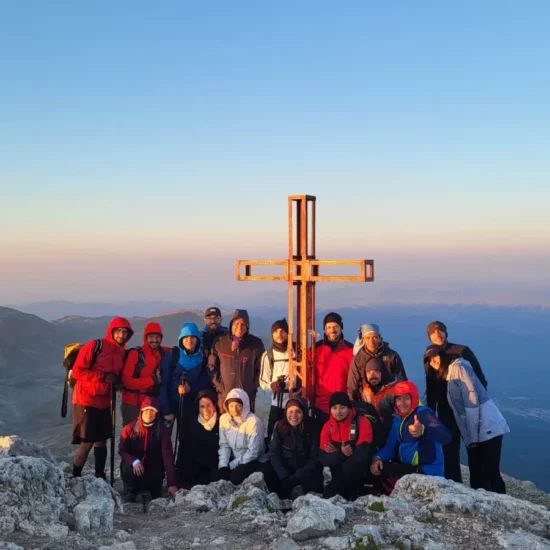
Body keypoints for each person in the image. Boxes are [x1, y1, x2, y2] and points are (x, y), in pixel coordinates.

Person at [424, 345, 509, 494]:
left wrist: (472, 438)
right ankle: (482, 508)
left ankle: (505, 508)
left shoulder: (458, 368)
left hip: (488, 427)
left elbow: (472, 403)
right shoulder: (447, 375)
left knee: (490, 471)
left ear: (443, 355)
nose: (433, 361)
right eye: (429, 360)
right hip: (477, 430)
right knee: (476, 473)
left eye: (435, 356)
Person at [71, 317, 134, 479]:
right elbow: (78, 371)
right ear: (112, 331)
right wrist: (103, 376)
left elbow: (118, 376)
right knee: (87, 441)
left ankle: (100, 476)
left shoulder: (122, 353)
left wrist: (119, 383)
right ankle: (76, 478)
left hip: (105, 401)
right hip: (86, 399)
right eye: (119, 331)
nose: (122, 335)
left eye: (125, 332)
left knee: (101, 440)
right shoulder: (95, 346)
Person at [370, 381, 451, 494]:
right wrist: (378, 458)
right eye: (399, 399)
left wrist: (423, 430)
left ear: (414, 397)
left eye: (407, 398)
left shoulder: (424, 414)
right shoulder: (397, 418)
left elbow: (446, 437)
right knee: (377, 468)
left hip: (427, 471)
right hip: (409, 467)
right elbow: (391, 445)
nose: (402, 403)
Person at [118, 397, 178, 501]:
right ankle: (131, 489)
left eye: (152, 411)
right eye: (146, 411)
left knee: (156, 476)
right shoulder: (129, 428)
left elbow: (167, 456)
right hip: (134, 469)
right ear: (141, 411)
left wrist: (172, 484)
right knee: (128, 465)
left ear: (156, 414)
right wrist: (134, 461)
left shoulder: (163, 431)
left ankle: (154, 489)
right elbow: (122, 450)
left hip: (153, 470)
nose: (149, 414)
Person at [263, 397, 322, 499]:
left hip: (305, 469)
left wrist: (296, 477)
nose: (294, 415)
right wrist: (284, 475)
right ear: (286, 412)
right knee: (268, 471)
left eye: (298, 412)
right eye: (290, 411)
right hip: (286, 468)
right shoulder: (280, 426)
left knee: (315, 480)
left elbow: (315, 458)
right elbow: (274, 453)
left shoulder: (312, 428)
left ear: (304, 412)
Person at [319, 392, 374, 500]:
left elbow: (362, 454)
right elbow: (323, 458)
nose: (338, 412)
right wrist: (342, 453)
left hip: (359, 474)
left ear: (349, 408)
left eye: (342, 407)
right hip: (338, 474)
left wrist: (337, 452)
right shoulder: (328, 426)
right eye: (334, 408)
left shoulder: (362, 422)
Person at [208, 309, 265, 412]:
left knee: (246, 426)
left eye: (243, 324)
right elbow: (212, 367)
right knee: (226, 427)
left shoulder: (256, 345)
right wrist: (220, 387)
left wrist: (252, 386)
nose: (239, 327)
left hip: (246, 398)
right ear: (231, 325)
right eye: (236, 323)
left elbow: (262, 369)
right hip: (225, 399)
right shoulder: (220, 342)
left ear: (247, 326)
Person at [160, 323, 213, 429]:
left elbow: (206, 380)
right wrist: (166, 411)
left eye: (193, 337)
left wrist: (191, 388)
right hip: (171, 403)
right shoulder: (173, 355)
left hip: (191, 406)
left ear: (198, 339)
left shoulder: (203, 357)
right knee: (164, 440)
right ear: (181, 339)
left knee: (186, 440)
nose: (189, 340)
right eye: (186, 337)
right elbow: (163, 383)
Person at [120, 322, 167, 426]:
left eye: (157, 337)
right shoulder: (135, 354)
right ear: (145, 338)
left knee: (149, 436)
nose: (154, 340)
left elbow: (180, 350)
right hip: (132, 403)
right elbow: (126, 381)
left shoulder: (162, 352)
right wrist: (152, 380)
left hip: (151, 403)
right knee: (131, 435)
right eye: (151, 337)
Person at [259, 318, 296, 446]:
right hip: (276, 402)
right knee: (274, 433)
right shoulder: (268, 355)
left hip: (295, 399)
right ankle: (272, 457)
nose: (279, 334)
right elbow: (263, 380)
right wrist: (272, 386)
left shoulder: (297, 352)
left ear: (288, 333)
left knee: (294, 433)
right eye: (275, 331)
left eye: (282, 331)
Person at [312, 312, 354, 426]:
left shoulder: (351, 350)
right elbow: (308, 374)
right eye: (329, 327)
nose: (332, 330)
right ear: (325, 330)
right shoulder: (315, 350)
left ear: (341, 328)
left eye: (336, 327)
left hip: (344, 404)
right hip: (322, 405)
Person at [218, 388, 266, 485]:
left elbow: (253, 452)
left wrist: (231, 465)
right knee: (217, 475)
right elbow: (224, 445)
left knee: (235, 477)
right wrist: (223, 465)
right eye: (231, 406)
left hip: (253, 461)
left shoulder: (253, 422)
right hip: (234, 459)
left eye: (238, 405)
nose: (234, 409)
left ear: (244, 405)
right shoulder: (224, 419)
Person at [177, 389, 221, 489]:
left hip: (214, 467)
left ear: (214, 406)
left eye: (208, 405)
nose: (205, 409)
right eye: (202, 406)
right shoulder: (191, 424)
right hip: (196, 467)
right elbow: (183, 451)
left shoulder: (222, 423)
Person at [349, 356, 397, 444]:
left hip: (390, 431)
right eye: (369, 372)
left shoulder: (393, 390)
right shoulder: (362, 391)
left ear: (382, 373)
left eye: (376, 372)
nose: (372, 376)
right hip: (371, 431)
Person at [426, 321, 487, 388]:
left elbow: (479, 376)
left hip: (466, 396)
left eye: (440, 330)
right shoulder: (429, 356)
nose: (437, 335)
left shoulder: (462, 351)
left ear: (445, 333)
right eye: (433, 332)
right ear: (429, 337)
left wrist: (481, 396)